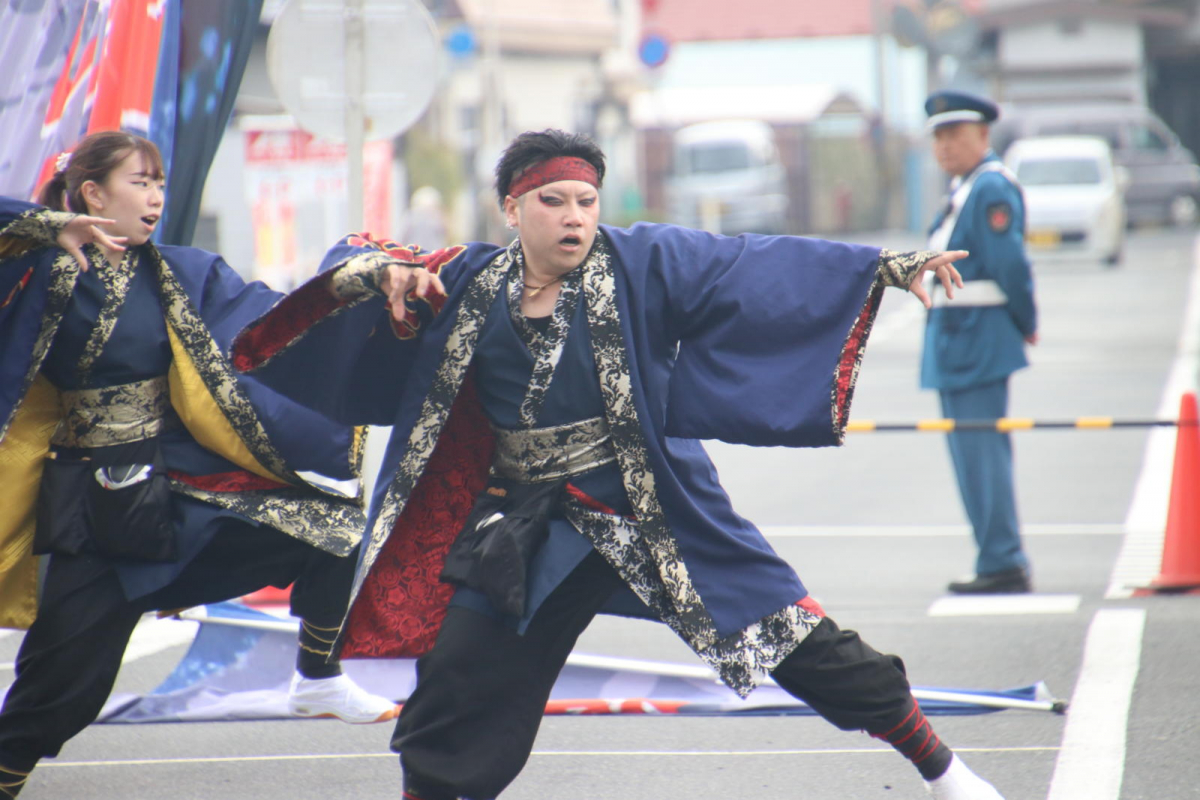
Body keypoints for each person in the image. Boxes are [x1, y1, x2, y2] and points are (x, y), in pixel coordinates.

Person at [231, 129, 1007, 800]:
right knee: (455, 678)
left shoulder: (640, 262)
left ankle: (942, 770)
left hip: (648, 508)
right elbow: (359, 258)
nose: (574, 218)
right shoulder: (468, 280)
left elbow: (750, 264)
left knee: (795, 641)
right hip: (532, 526)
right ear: (512, 208)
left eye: (585, 201)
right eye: (553, 202)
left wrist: (886, 268)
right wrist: (384, 276)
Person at [0, 131, 399, 798]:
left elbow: (277, 323)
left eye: (160, 183)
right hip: (89, 512)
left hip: (173, 493)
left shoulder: (184, 273)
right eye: (139, 182)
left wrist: (361, 277)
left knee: (329, 528)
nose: (156, 197)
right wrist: (47, 224)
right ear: (92, 193)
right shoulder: (40, 267)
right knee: (60, 690)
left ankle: (318, 677)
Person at [922, 91, 1039, 595]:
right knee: (973, 455)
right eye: (939, 136)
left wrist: (1025, 320)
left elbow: (1010, 265)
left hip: (976, 339)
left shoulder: (989, 188)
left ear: (983, 136)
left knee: (980, 454)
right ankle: (996, 556)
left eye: (956, 134)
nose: (946, 145)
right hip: (959, 339)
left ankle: (1002, 560)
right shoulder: (965, 187)